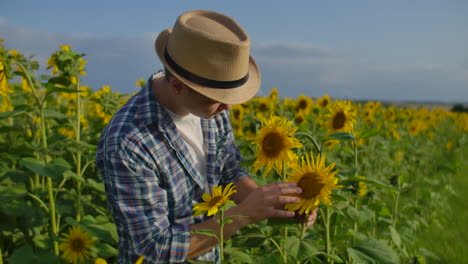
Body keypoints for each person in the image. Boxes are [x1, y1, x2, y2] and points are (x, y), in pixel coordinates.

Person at [96, 10, 317, 264]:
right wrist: (243, 215)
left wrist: (279, 204)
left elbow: (230, 172)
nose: (228, 108)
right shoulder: (128, 143)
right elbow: (155, 248)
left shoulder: (210, 110)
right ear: (178, 86)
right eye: (217, 99)